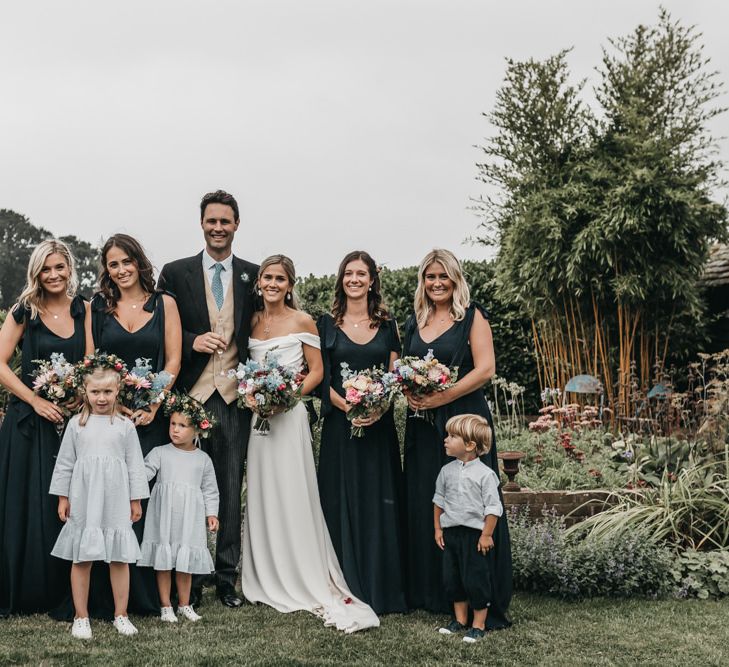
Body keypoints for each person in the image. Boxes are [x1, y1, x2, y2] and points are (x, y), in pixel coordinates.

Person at [241, 255, 379, 633]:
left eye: (280, 279)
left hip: (289, 417)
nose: (272, 284)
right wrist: (255, 399)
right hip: (259, 419)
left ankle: (301, 571)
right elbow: (247, 372)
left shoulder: (303, 322)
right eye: (267, 277)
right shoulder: (252, 321)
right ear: (259, 282)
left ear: (290, 284)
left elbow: (317, 371)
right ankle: (264, 572)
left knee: (293, 491)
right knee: (263, 493)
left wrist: (285, 398)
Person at [52, 234, 182, 621]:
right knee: (99, 505)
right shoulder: (98, 305)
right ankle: (95, 604)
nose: (121, 270)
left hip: (148, 420)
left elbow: (172, 360)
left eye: (126, 261)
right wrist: (109, 404)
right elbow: (92, 359)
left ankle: (144, 600)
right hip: (106, 418)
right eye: (113, 264)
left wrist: (154, 404)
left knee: (140, 508)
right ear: (106, 270)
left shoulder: (165, 304)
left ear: (139, 262)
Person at [157, 189, 258, 608]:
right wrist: (195, 339)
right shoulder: (175, 272)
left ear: (237, 225)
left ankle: (227, 577)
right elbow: (160, 327)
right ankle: (190, 578)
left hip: (233, 396)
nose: (218, 228)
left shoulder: (254, 274)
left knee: (230, 486)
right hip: (191, 397)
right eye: (211, 221)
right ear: (201, 224)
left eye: (225, 221)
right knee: (188, 489)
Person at [402, 249, 512, 628]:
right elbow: (404, 367)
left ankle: (479, 591)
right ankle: (436, 593)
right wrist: (410, 392)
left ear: (455, 280)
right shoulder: (416, 320)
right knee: (429, 497)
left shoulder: (472, 317)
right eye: (430, 277)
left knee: (469, 501)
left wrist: (442, 397)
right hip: (422, 423)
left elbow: (485, 369)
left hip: (463, 421)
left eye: (443, 277)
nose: (436, 283)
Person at [0, 239, 93, 617]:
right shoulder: (25, 311)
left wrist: (78, 395)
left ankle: (63, 588)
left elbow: (90, 360)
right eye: (46, 269)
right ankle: (24, 590)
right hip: (27, 424)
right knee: (27, 503)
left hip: (72, 424)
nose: (53, 275)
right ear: (36, 272)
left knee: (65, 506)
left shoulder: (84, 308)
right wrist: (35, 400)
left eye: (59, 267)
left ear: (70, 269)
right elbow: (1, 364)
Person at [317, 251, 407, 614]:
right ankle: (342, 583)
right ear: (341, 280)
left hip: (378, 428)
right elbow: (320, 378)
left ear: (372, 280)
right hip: (341, 427)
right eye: (348, 273)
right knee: (339, 500)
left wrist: (378, 407)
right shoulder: (325, 324)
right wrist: (349, 408)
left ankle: (381, 583)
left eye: (361, 273)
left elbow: (394, 376)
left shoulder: (389, 326)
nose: (354, 279)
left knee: (378, 500)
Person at [49, 359, 149, 639]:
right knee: (82, 557)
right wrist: (62, 497)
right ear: (85, 391)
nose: (101, 398)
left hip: (116, 499)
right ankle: (81, 617)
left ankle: (121, 614)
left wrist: (135, 500)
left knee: (120, 557)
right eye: (95, 392)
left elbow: (135, 465)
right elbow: (65, 463)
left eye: (107, 392)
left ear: (118, 391)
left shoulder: (125, 426)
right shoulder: (75, 425)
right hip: (84, 498)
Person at [138, 392, 220, 623]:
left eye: (182, 426)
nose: (175, 429)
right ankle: (165, 606)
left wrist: (211, 513)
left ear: (197, 430)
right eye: (173, 424)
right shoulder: (160, 452)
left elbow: (210, 489)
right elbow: (144, 473)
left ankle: (184, 604)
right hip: (164, 517)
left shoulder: (203, 459)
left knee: (185, 562)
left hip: (190, 518)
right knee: (163, 561)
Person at [433, 414, 502, 644]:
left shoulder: (485, 475)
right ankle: (459, 621)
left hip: (474, 536)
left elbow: (493, 508)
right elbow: (439, 501)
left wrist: (486, 535)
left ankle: (478, 624)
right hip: (451, 533)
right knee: (453, 578)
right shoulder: (446, 471)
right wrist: (438, 529)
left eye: (452, 436)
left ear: (470, 445)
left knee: (475, 579)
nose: (446, 440)